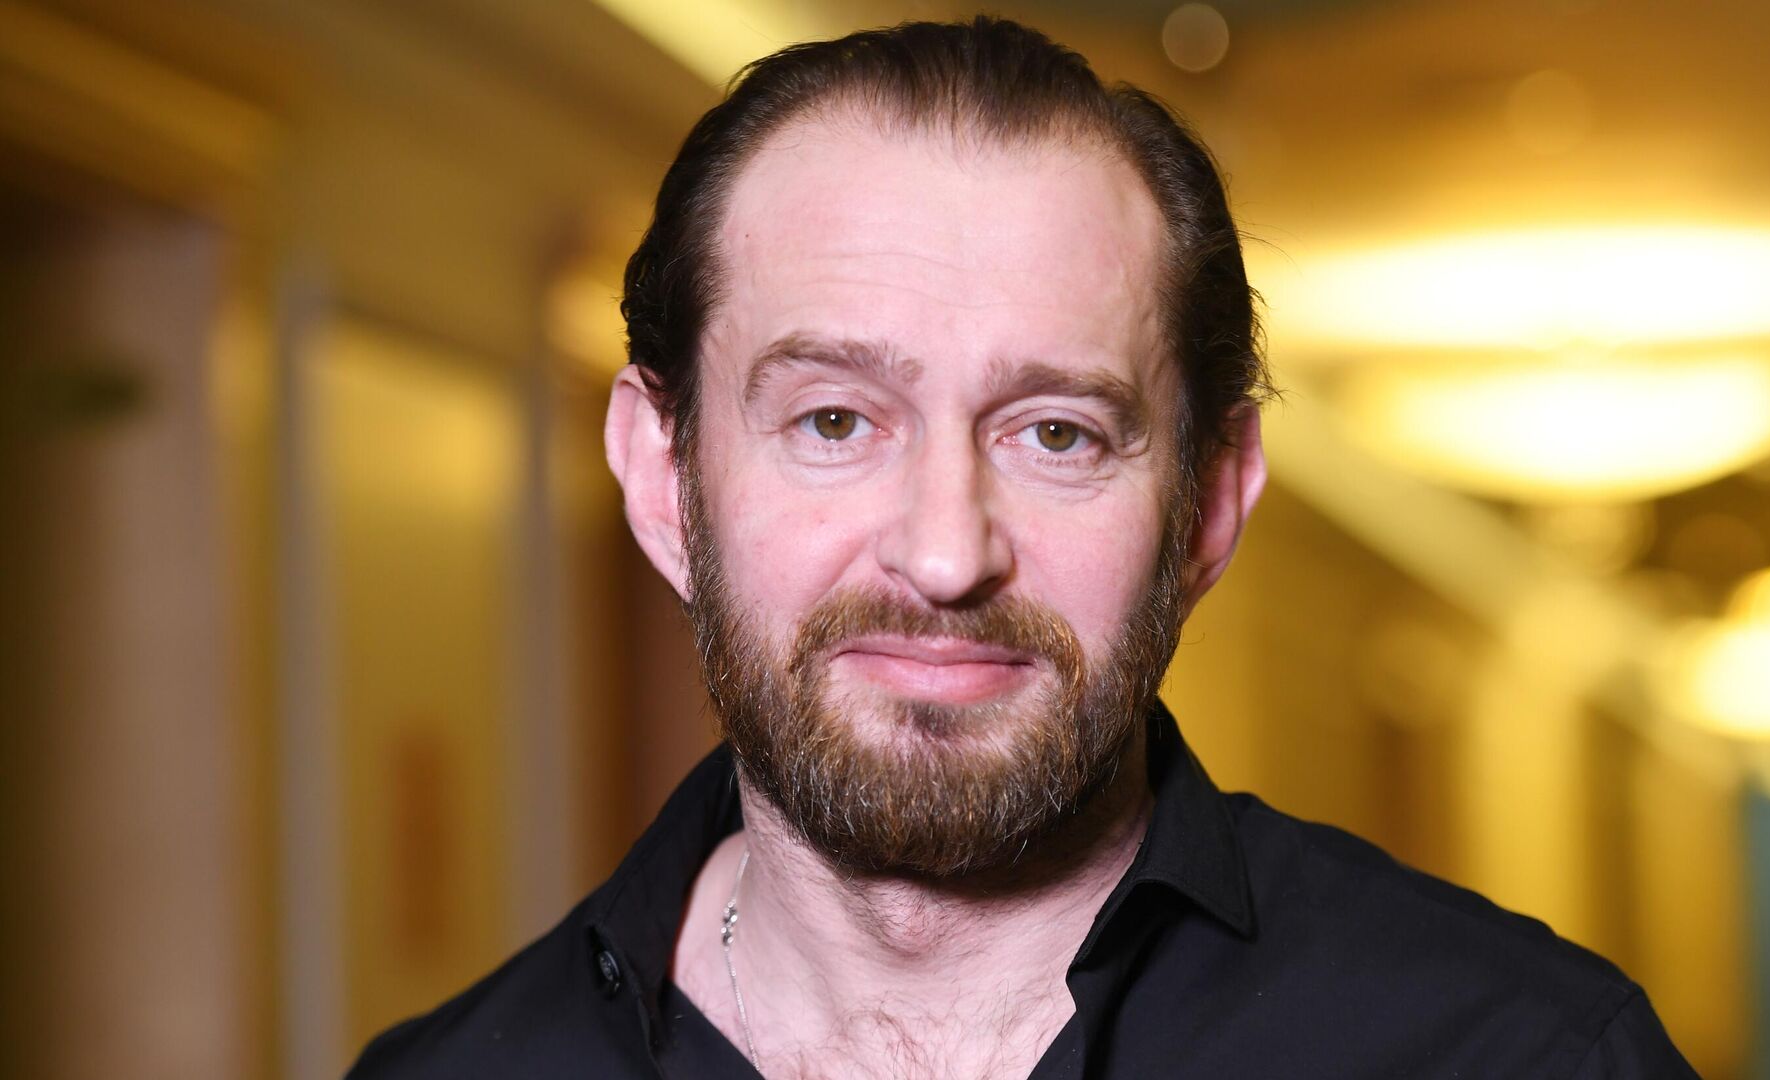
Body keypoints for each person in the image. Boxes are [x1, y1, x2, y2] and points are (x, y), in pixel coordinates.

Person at [349, 16, 1697, 1079]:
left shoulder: (1524, 1055)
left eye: (1056, 434)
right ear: (662, 478)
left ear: (1209, 504)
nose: (946, 558)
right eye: (834, 420)